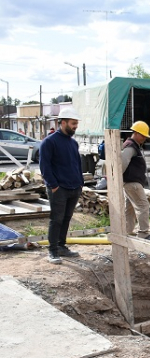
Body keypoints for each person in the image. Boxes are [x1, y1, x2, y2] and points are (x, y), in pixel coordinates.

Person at [39, 108, 83, 264]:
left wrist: (80, 183)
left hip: (74, 187)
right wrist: (53, 185)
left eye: (76, 123)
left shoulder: (73, 143)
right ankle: (52, 251)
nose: (75, 126)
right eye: (73, 123)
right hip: (59, 189)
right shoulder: (49, 142)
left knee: (66, 218)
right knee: (56, 219)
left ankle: (62, 246)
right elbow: (44, 166)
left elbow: (77, 164)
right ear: (63, 122)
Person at [121, 121, 150, 241]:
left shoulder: (133, 145)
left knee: (130, 208)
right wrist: (116, 178)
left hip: (129, 182)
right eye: (142, 135)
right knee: (143, 206)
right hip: (132, 182)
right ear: (136, 133)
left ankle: (127, 231)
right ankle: (143, 234)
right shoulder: (131, 147)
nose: (144, 138)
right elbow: (123, 162)